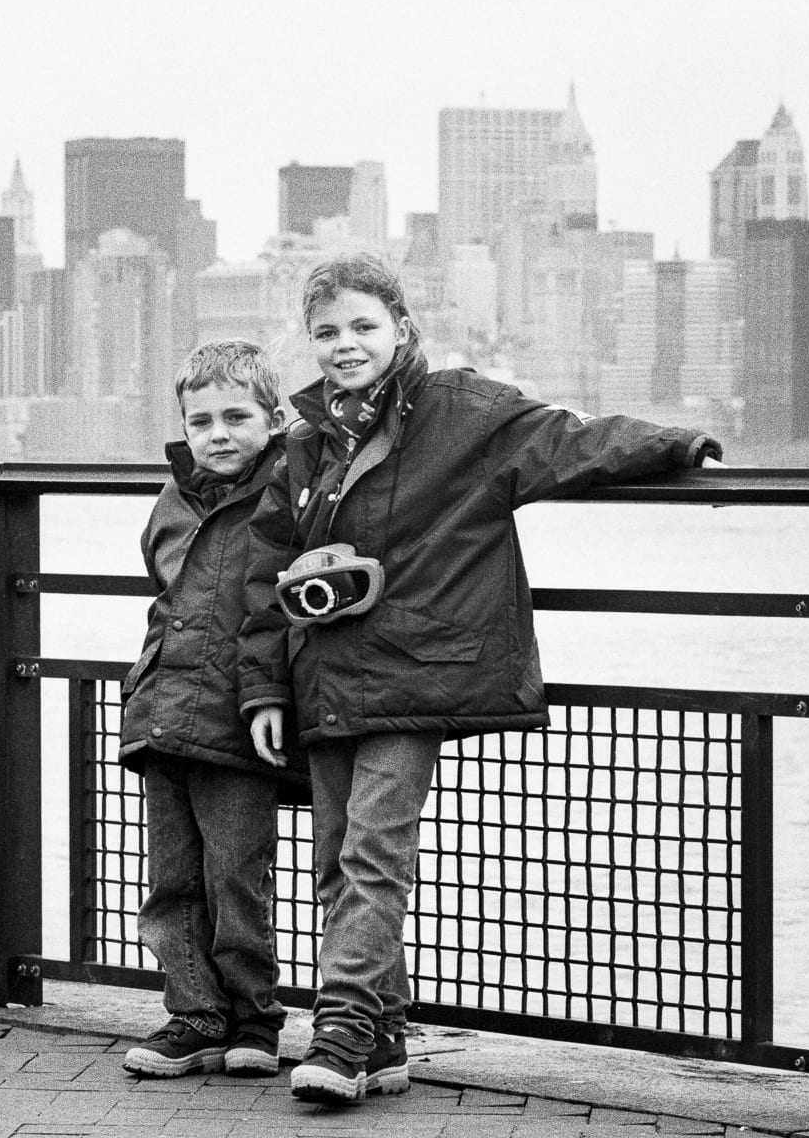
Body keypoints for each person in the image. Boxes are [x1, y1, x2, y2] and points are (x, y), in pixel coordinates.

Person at [239, 251, 723, 1104]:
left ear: (402, 329)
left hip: (416, 675)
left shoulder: (465, 413)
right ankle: (383, 1038)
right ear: (308, 343)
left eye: (362, 326)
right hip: (325, 677)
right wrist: (264, 688)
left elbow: (572, 441)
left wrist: (680, 444)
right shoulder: (308, 443)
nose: (345, 345)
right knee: (331, 861)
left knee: (372, 853)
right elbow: (265, 571)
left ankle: (344, 1027)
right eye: (326, 332)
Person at [119, 339, 307, 1080]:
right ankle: (194, 1016)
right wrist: (145, 690)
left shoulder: (289, 492)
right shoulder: (174, 499)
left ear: (273, 417)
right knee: (171, 883)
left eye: (237, 416)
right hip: (164, 713)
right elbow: (166, 599)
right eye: (202, 421)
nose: (218, 433)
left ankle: (255, 1021)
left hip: (239, 720)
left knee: (237, 878)